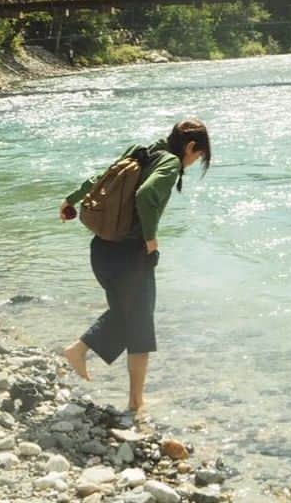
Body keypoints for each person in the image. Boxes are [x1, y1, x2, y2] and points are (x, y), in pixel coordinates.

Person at [59, 119, 212, 414]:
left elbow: (99, 179)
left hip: (102, 250)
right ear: (191, 147)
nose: (194, 163)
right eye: (198, 156)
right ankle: (122, 389)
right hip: (130, 256)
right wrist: (151, 239)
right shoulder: (169, 165)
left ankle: (121, 388)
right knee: (140, 324)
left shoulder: (141, 151)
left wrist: (70, 200)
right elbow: (145, 196)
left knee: (129, 317)